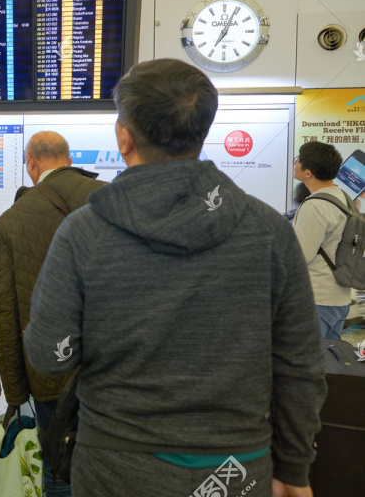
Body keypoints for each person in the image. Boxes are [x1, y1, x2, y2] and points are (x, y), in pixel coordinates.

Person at [24, 59, 326, 497]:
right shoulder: (268, 231)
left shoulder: (83, 232)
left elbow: (49, 356)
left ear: (124, 138)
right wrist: (295, 467)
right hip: (237, 467)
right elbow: (301, 364)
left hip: (115, 465)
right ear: (201, 133)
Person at [0, 132, 105, 497]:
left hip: (49, 372)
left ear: (31, 163)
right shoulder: (111, 199)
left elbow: (4, 314)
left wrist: (15, 391)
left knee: (57, 459)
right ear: (69, 159)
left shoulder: (9, 222)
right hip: (113, 369)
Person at [292, 141, 355, 339]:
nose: (295, 164)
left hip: (317, 297)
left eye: (298, 161)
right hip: (340, 296)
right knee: (330, 362)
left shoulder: (314, 205)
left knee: (309, 363)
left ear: (308, 172)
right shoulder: (344, 198)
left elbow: (301, 255)